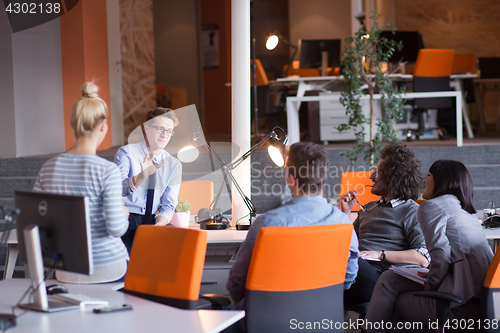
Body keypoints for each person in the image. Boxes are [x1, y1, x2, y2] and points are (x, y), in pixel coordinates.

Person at [227, 141, 359, 310]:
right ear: (324, 177)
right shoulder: (343, 224)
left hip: (267, 322)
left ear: (291, 179)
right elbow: (347, 282)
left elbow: (235, 285)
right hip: (321, 322)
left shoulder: (266, 224)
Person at [364, 160, 493, 331]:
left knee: (390, 301)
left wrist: (430, 288)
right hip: (483, 305)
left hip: (457, 306)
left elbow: (440, 256)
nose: (424, 180)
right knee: (390, 278)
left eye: (430, 175)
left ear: (442, 180)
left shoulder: (431, 207)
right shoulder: (465, 213)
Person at [33, 82, 129, 283]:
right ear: (104, 126)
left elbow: (36, 220)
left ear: (73, 125)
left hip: (66, 270)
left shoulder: (48, 168)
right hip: (108, 268)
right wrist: (123, 213)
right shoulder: (107, 170)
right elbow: (116, 228)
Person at [340, 143, 429, 307]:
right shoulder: (368, 207)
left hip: (380, 277)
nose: (371, 176)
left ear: (392, 177)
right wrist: (346, 213)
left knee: (345, 260)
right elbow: (346, 243)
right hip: (356, 270)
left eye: (377, 172)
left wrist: (380, 254)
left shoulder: (411, 211)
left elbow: (422, 257)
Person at [114, 107, 182, 253]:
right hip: (127, 219)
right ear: (146, 128)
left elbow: (168, 205)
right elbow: (116, 191)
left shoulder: (174, 164)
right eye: (160, 129)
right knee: (130, 262)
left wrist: (159, 225)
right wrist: (141, 176)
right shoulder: (127, 153)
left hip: (154, 220)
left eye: (169, 131)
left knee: (180, 245)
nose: (165, 135)